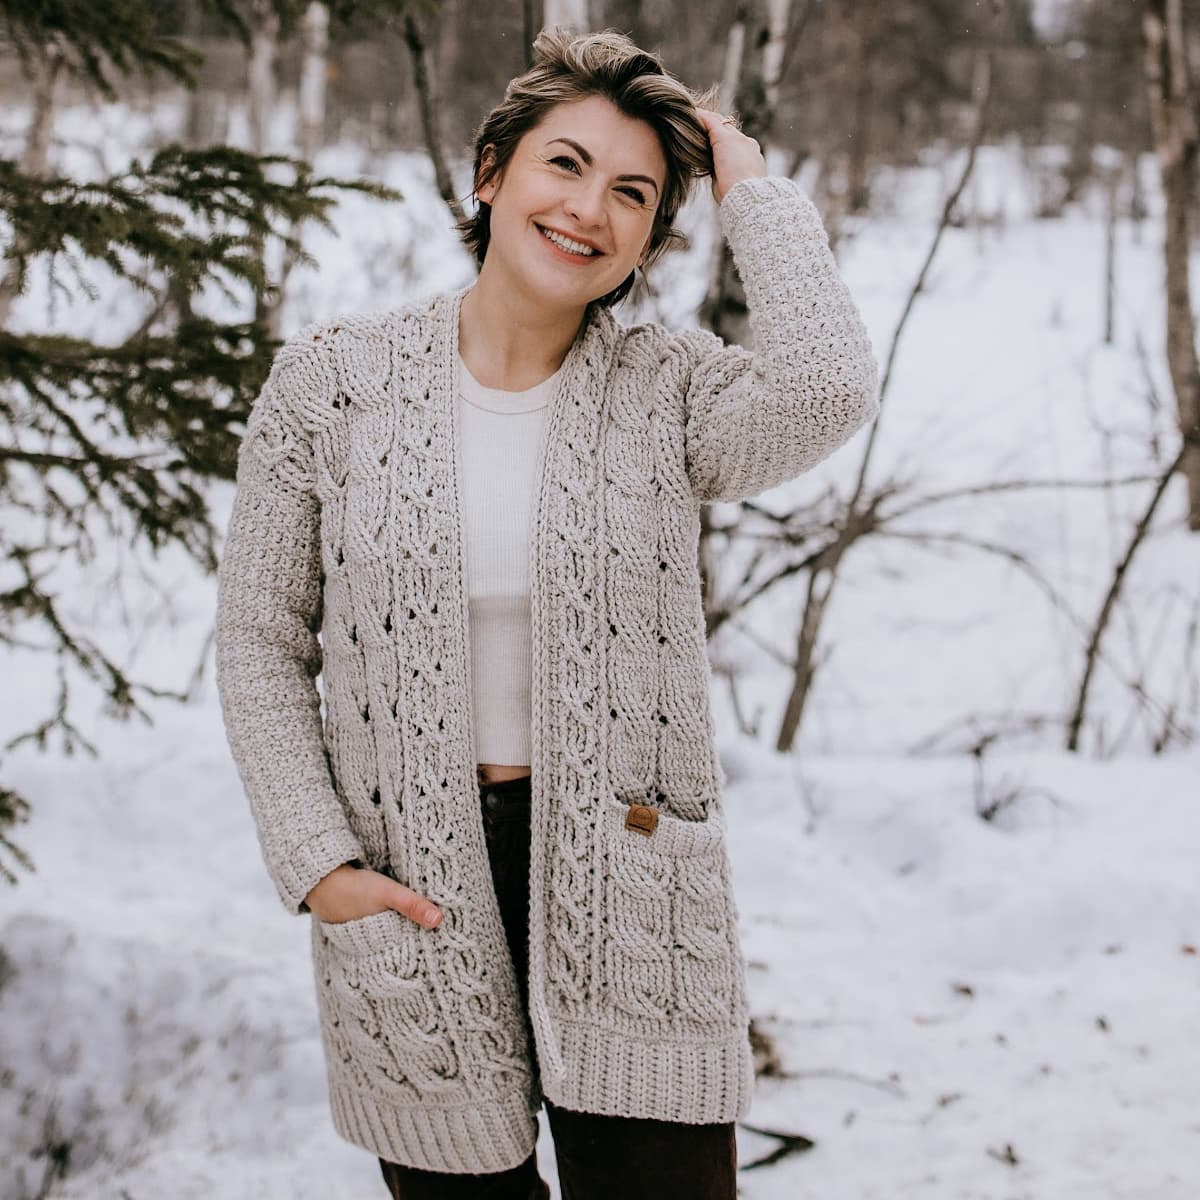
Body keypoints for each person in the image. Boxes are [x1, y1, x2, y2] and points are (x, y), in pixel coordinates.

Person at [214, 25, 880, 1200]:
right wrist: (319, 865)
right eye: (564, 165)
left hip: (634, 889)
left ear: (650, 240)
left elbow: (826, 387)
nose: (591, 209)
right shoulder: (334, 385)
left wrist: (746, 177)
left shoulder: (669, 396)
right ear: (491, 175)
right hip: (411, 889)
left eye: (634, 192)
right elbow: (260, 640)